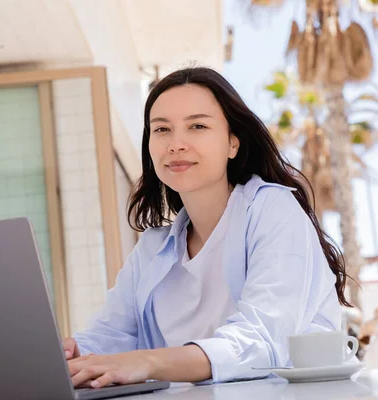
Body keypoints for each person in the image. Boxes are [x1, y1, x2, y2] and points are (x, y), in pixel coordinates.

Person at [63, 67, 351, 387]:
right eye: (161, 130)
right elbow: (111, 335)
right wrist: (75, 352)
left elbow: (261, 341)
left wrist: (148, 362)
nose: (176, 144)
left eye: (197, 126)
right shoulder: (153, 247)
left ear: (233, 144)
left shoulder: (273, 210)